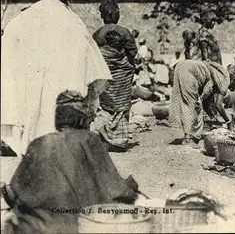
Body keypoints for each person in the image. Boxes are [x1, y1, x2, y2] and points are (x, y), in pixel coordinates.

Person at [0, 0, 111, 157]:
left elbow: (85, 47)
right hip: (48, 84)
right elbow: (12, 32)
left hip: (70, 83)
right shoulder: (41, 10)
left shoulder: (69, 14)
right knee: (46, 129)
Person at [1, 91, 140, 234]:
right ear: (82, 118)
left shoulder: (38, 143)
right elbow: (116, 188)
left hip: (37, 227)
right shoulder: (88, 139)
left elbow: (12, 192)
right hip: (78, 225)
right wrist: (130, 187)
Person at [91, 0, 138, 151]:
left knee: (106, 104)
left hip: (104, 74)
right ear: (117, 15)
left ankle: (104, 136)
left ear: (103, 16)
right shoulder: (124, 32)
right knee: (122, 105)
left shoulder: (97, 34)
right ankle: (119, 140)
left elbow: (93, 55)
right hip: (123, 76)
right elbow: (133, 52)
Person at [168, 60, 233, 148]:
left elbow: (206, 96)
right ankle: (188, 138)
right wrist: (228, 121)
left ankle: (187, 136)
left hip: (181, 66)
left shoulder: (217, 71)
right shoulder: (224, 79)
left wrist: (211, 115)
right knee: (194, 106)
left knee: (185, 102)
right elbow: (218, 104)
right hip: (191, 70)